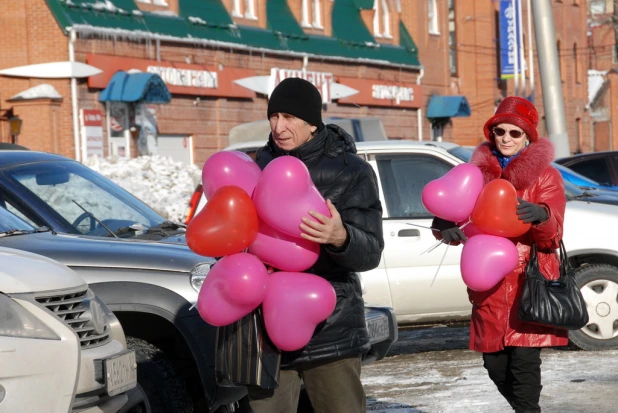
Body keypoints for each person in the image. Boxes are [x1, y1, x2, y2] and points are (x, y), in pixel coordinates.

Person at [247, 77, 384, 413]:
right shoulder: (256, 166)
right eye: (274, 116)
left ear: (311, 123)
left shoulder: (351, 170)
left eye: (290, 117)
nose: (279, 126)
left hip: (330, 330)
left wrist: (341, 237)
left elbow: (371, 251)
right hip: (267, 328)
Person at [434, 96, 568, 413]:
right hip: (489, 287)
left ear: (528, 137)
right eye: (500, 131)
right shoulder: (475, 174)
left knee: (523, 368)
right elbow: (459, 219)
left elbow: (554, 237)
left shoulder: (546, 177)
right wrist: (443, 227)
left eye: (514, 133)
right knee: (494, 366)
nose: (506, 138)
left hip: (528, 285)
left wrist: (542, 216)